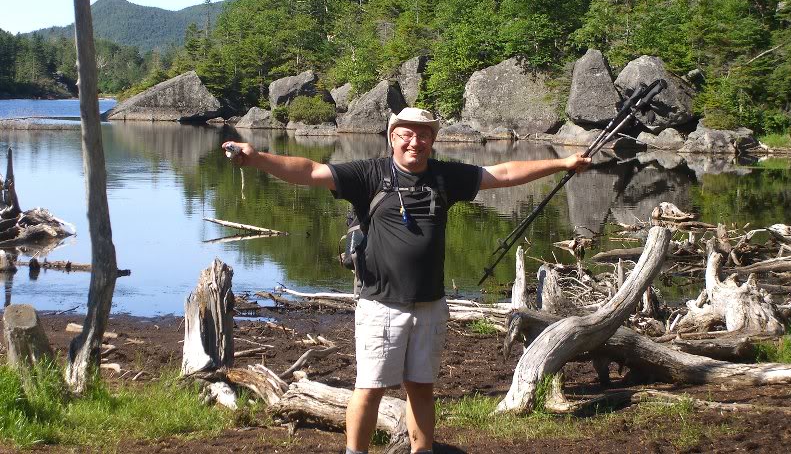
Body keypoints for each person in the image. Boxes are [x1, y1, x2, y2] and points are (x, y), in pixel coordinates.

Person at [222, 107, 591, 454]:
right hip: (381, 305)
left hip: (430, 305)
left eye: (424, 135)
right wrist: (256, 158)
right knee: (369, 389)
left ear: (433, 140)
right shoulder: (369, 174)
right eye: (407, 135)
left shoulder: (445, 176)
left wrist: (563, 162)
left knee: (421, 388)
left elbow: (504, 173)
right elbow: (310, 171)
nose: (415, 142)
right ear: (392, 137)